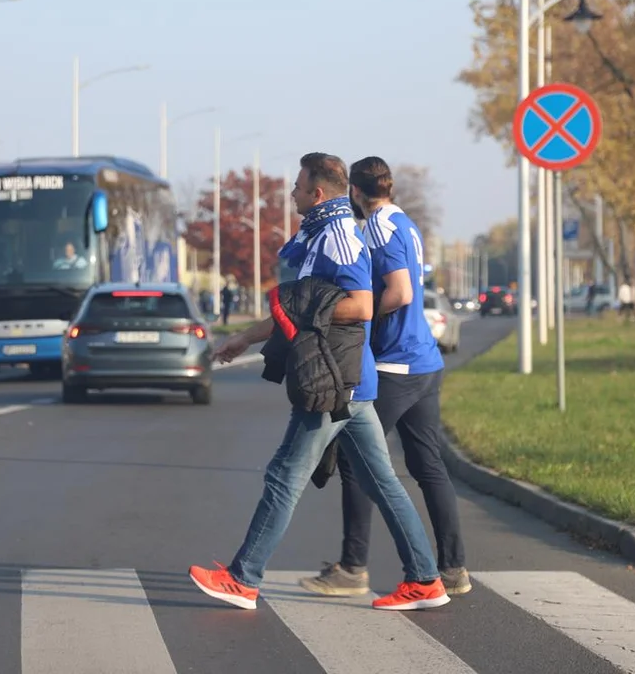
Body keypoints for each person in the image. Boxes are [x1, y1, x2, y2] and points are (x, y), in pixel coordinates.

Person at [188, 152, 448, 612]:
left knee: (285, 476)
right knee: (384, 483)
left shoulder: (340, 237)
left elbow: (363, 306)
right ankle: (426, 580)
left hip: (334, 380)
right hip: (351, 383)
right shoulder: (318, 235)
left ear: (318, 192)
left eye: (298, 185)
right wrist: (244, 338)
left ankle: (242, 578)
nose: (292, 192)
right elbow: (297, 308)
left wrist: (308, 312)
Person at [299, 156, 470, 600]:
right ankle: (453, 568)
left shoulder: (376, 227)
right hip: (425, 362)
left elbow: (400, 292)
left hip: (396, 363)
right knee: (428, 466)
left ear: (354, 191)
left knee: (357, 464)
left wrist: (364, 317)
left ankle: (353, 567)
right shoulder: (405, 223)